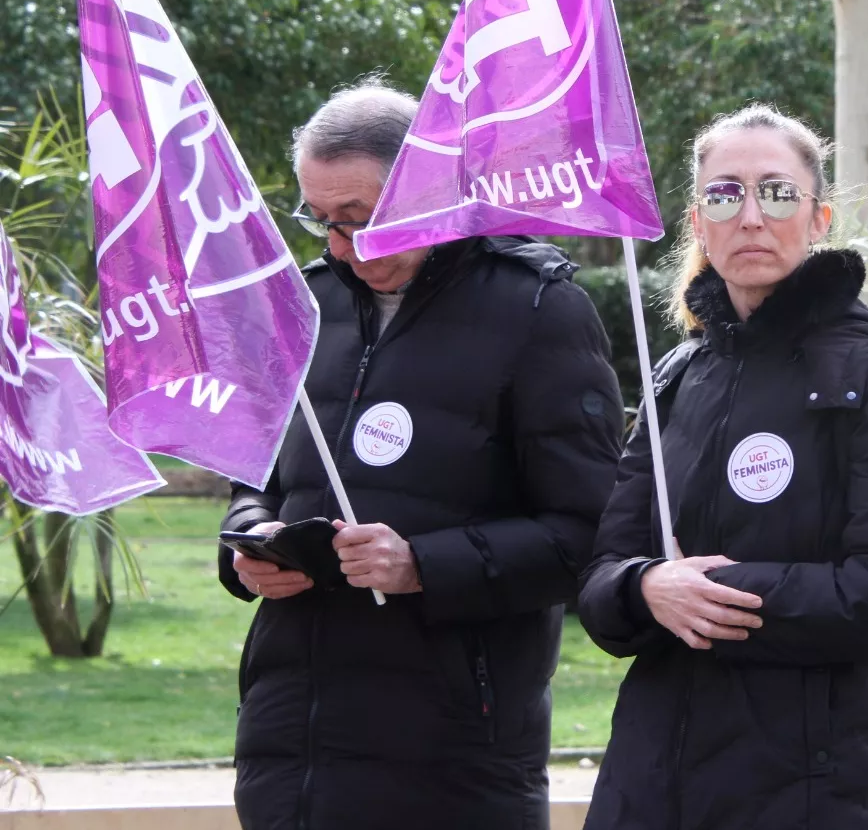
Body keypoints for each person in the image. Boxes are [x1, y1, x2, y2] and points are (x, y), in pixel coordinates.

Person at [218, 80, 624, 830]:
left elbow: (590, 533)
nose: (344, 247)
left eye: (362, 218)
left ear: (430, 186)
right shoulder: (303, 306)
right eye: (324, 222)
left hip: (453, 755)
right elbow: (257, 477)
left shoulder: (537, 308)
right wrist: (249, 540)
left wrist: (422, 566)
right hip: (290, 747)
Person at [577, 105, 868, 830]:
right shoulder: (678, 376)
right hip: (652, 784)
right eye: (725, 195)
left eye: (778, 193)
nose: (751, 216)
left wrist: (713, 593)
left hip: (814, 788)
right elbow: (601, 576)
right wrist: (645, 587)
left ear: (818, 220)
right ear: (699, 223)